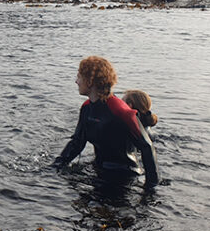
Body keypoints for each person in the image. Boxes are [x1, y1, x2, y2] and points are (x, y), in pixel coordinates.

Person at [53, 56, 158, 187]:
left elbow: (147, 147)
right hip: (100, 170)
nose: (76, 81)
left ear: (90, 81)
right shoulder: (86, 108)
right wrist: (56, 166)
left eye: (79, 77)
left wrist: (151, 188)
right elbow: (77, 143)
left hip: (125, 176)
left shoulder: (120, 111)